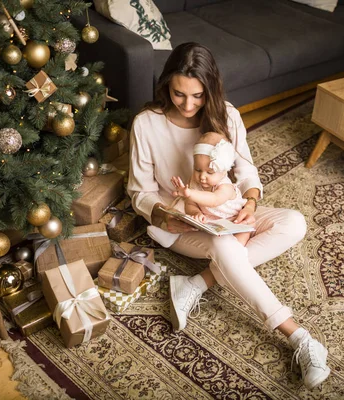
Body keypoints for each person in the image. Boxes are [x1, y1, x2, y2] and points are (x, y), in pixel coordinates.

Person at [127, 42, 330, 389]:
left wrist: (251, 202)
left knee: (294, 222)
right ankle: (299, 338)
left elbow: (248, 173)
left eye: (198, 96)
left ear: (211, 90)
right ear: (166, 85)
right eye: (179, 94)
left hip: (228, 211)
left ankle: (197, 283)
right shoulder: (146, 124)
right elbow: (138, 191)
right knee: (227, 249)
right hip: (184, 221)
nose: (189, 105)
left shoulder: (228, 116)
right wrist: (160, 215)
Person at [170, 131, 252, 247]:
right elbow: (190, 203)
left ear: (223, 172)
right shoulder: (194, 180)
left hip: (233, 221)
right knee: (180, 209)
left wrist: (189, 193)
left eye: (210, 172)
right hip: (209, 221)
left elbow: (214, 200)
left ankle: (236, 252)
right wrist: (196, 213)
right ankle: (168, 235)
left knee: (242, 233)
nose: (202, 176)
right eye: (197, 170)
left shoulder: (226, 187)